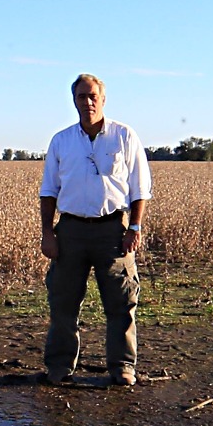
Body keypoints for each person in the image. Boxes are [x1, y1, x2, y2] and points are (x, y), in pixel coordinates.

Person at [39, 74, 152, 387]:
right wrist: (48, 234)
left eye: (93, 97)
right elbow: (49, 191)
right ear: (73, 100)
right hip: (71, 231)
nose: (87, 102)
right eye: (81, 97)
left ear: (103, 99)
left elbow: (139, 189)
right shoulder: (61, 141)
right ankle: (60, 367)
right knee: (63, 303)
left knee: (121, 303)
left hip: (112, 232)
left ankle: (122, 367)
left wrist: (135, 226)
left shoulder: (124, 136)